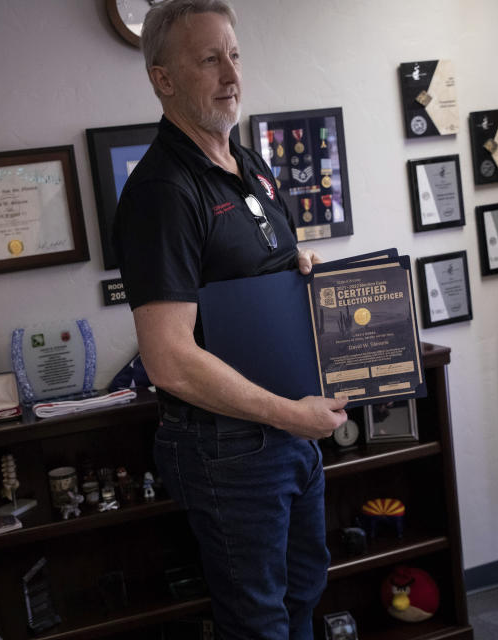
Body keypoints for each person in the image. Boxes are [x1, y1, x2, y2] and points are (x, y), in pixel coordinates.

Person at [113, 1, 348, 637]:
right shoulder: (163, 192)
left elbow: (241, 269)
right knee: (258, 622)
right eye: (209, 59)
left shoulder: (249, 164)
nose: (231, 74)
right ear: (163, 79)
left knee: (304, 593)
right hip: (233, 446)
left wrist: (295, 265)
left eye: (235, 56)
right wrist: (287, 414)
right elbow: (168, 358)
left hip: (288, 427)